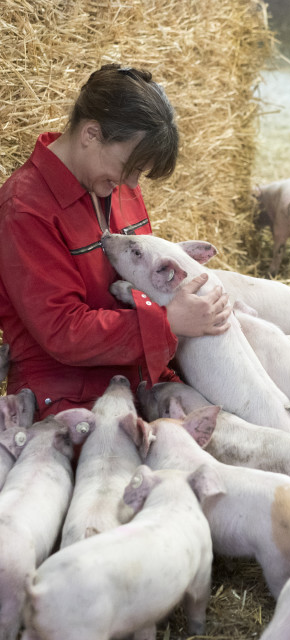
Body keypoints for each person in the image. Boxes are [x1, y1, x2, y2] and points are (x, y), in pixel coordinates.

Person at [0, 63, 231, 420]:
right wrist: (167, 322)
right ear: (91, 133)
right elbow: (63, 331)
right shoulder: (25, 209)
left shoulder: (115, 183)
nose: (135, 184)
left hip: (142, 379)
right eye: (131, 166)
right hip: (69, 402)